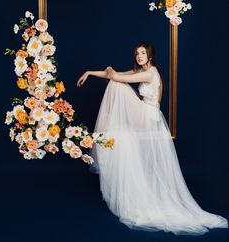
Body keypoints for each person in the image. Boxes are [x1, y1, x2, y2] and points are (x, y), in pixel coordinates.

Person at [76, 42, 228, 235]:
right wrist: (89, 72)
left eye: (143, 53)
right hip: (142, 114)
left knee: (117, 84)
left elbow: (113, 75)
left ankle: (106, 130)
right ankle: (109, 131)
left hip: (148, 116)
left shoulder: (151, 73)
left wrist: (109, 69)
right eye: (137, 53)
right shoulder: (139, 70)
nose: (139, 56)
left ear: (150, 56)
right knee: (116, 83)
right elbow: (112, 75)